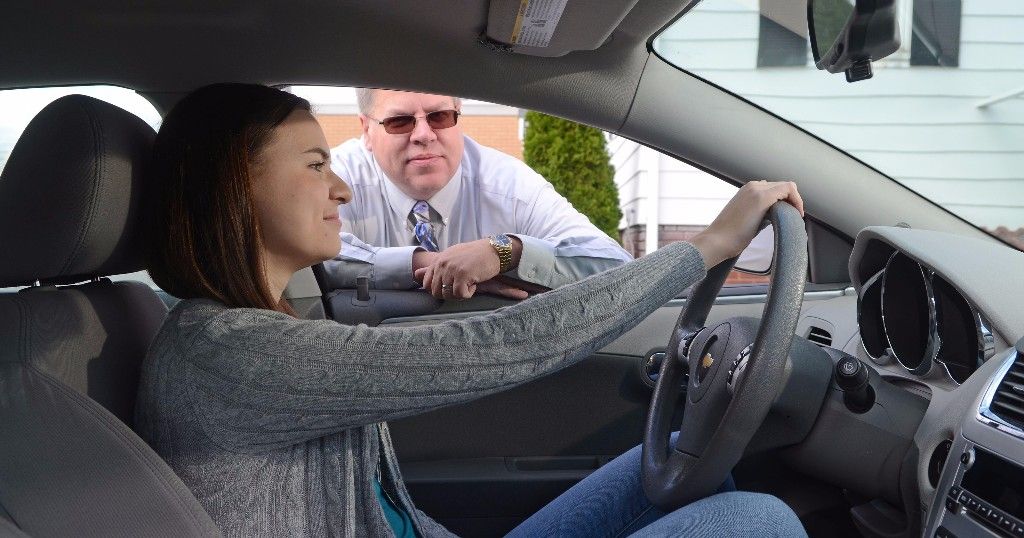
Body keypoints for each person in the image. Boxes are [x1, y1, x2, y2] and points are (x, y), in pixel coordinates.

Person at [138, 83, 808, 538]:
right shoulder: (233, 352)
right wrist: (707, 247)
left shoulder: (267, 322)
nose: (340, 186)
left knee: (680, 457)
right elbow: (501, 344)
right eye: (316, 165)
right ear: (235, 187)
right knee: (758, 522)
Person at [326, 88, 633, 300]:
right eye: (399, 122)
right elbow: (302, 258)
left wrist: (504, 252)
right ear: (366, 130)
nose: (423, 135)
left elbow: (613, 264)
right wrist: (431, 264)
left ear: (458, 115)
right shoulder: (338, 176)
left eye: (439, 116)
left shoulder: (508, 183)